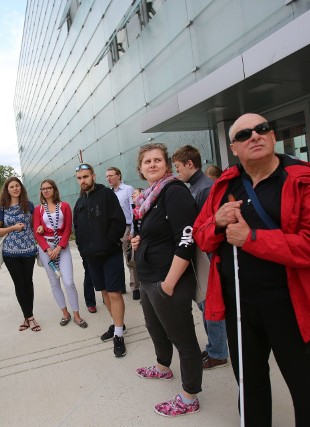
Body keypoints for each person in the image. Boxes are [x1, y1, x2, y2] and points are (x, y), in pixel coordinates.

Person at [193, 113, 310, 426]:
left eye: (262, 129)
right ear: (234, 148)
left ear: (272, 136)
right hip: (239, 307)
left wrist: (251, 238)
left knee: (309, 392)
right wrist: (217, 222)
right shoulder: (224, 185)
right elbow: (201, 235)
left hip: (293, 306)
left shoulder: (301, 178)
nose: (254, 136)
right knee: (250, 386)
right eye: (244, 135)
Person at [130, 143, 203, 417]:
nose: (151, 164)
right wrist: (140, 240)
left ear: (167, 165)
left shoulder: (174, 192)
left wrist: (169, 284)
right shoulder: (149, 197)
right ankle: (162, 367)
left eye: (157, 160)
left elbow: (187, 237)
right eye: (146, 161)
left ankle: (189, 396)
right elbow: (156, 231)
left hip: (168, 278)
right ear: (140, 168)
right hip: (149, 276)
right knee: (155, 328)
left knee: (183, 338)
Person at [172, 145, 228, 370]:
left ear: (189, 164)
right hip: (202, 254)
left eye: (178, 167)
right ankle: (215, 347)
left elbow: (206, 225)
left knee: (210, 305)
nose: (177, 173)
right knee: (206, 305)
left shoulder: (205, 188)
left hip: (208, 255)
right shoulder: (196, 187)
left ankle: (218, 352)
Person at [73, 163, 127, 357]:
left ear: (93, 176)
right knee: (104, 293)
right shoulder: (79, 203)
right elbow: (77, 230)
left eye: (86, 177)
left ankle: (119, 335)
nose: (83, 181)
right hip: (91, 258)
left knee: (114, 293)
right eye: (79, 178)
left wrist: (108, 243)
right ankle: (117, 324)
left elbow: (119, 221)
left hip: (110, 254)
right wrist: (83, 251)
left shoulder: (106, 195)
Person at [33, 179, 87, 328]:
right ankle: (65, 313)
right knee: (54, 282)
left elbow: (68, 229)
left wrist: (59, 247)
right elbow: (37, 232)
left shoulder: (64, 206)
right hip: (46, 249)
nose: (46, 190)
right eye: (43, 188)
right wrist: (48, 249)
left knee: (69, 282)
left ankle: (76, 314)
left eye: (49, 188)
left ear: (54, 189)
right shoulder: (38, 210)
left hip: (61, 248)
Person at [0, 177, 40, 332]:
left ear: (21, 188)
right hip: (10, 252)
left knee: (28, 282)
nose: (15, 188)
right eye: (11, 186)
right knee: (19, 283)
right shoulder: (2, 208)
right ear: (7, 190)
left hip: (28, 250)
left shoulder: (29, 205)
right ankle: (30, 317)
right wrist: (12, 228)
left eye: (17, 186)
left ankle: (27, 317)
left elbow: (35, 225)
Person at [105, 167, 139, 299]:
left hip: (126, 227)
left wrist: (132, 230)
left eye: (111, 175)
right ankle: (120, 286)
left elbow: (133, 210)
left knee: (130, 258)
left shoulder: (128, 189)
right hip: (113, 229)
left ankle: (135, 287)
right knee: (115, 258)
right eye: (107, 176)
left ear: (118, 176)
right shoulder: (108, 193)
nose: (108, 178)